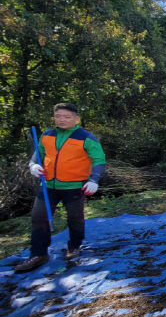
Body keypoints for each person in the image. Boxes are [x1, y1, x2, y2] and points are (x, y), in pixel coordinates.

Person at [16, 103, 106, 273]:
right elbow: (37, 156)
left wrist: (94, 180)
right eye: (58, 116)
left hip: (74, 186)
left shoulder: (86, 137)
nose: (62, 120)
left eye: (67, 117)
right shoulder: (47, 135)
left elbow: (99, 160)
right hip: (48, 184)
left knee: (75, 218)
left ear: (76, 119)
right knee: (38, 218)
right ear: (54, 117)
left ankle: (74, 246)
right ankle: (38, 254)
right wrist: (33, 166)